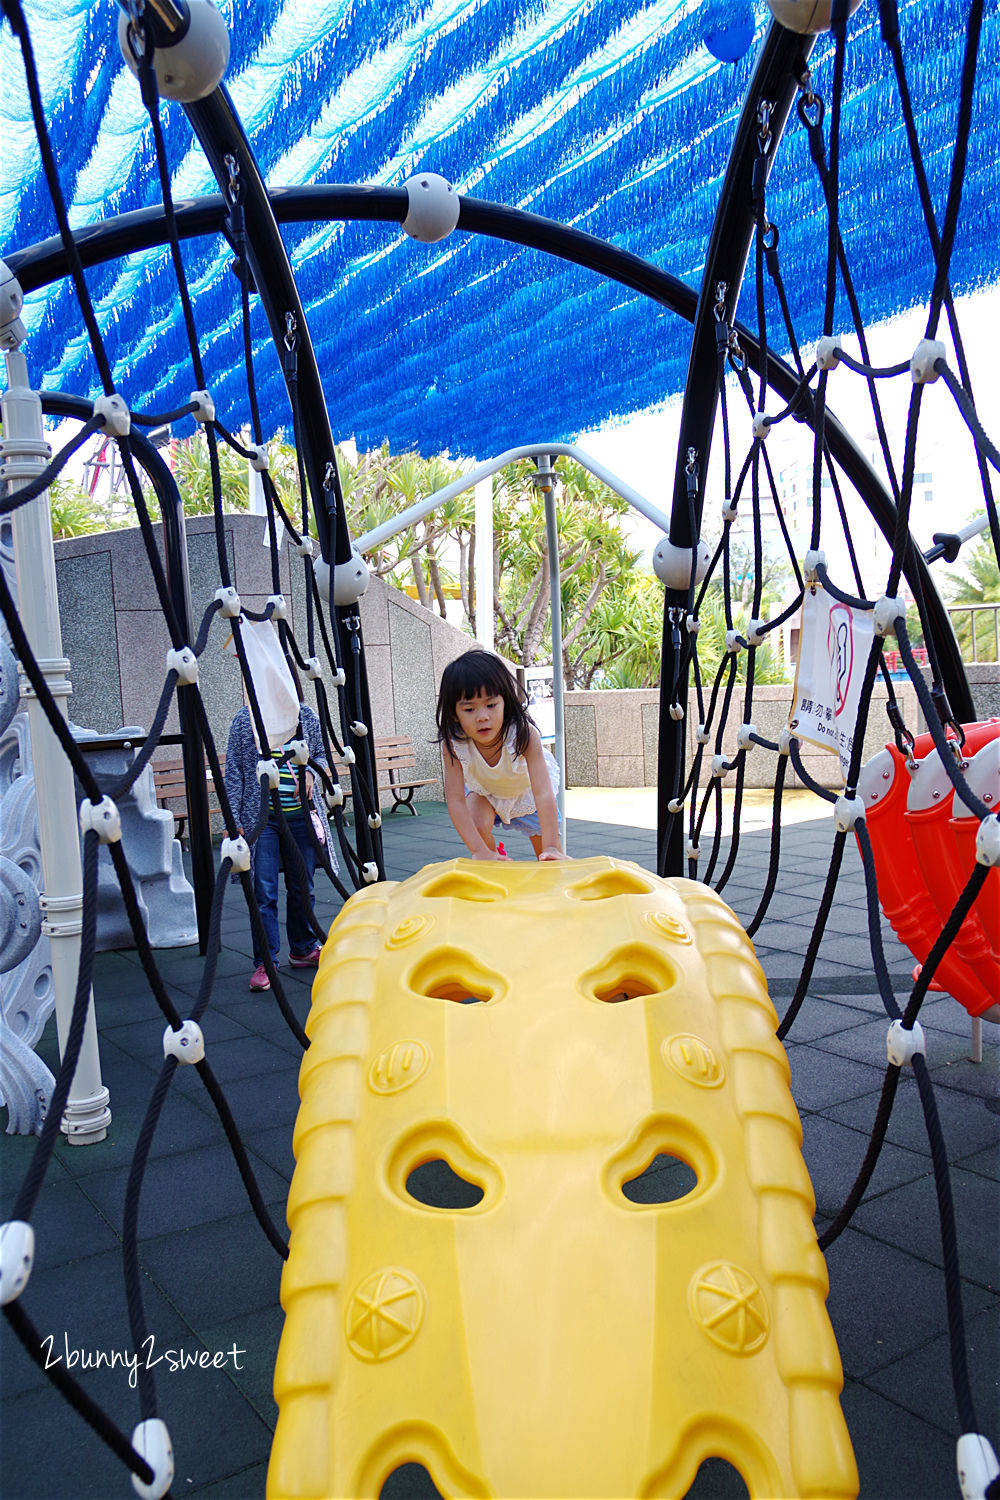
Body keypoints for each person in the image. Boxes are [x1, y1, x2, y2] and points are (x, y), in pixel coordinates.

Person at [225, 687, 335, 990]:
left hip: (300, 814)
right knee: (264, 890)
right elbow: (234, 772)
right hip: (264, 819)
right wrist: (232, 821)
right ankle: (265, 961)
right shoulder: (246, 721)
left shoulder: (305, 716)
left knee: (304, 885)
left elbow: (323, 755)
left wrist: (312, 773)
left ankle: (302, 947)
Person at [436, 648, 566, 862]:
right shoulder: (454, 742)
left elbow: (543, 792)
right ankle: (494, 857)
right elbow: (456, 801)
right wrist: (479, 851)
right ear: (454, 713)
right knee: (475, 824)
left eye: (491, 705)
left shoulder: (523, 734)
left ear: (505, 701)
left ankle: (550, 850)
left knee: (548, 856)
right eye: (469, 709)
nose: (482, 717)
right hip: (486, 791)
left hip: (527, 792)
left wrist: (552, 845)